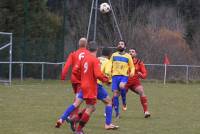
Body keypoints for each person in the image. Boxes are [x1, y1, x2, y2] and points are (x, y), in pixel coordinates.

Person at [73, 41, 110, 134]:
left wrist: (82, 79)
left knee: (92, 107)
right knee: (90, 108)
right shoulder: (94, 60)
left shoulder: (85, 58)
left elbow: (77, 70)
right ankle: (79, 130)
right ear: (97, 49)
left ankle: (76, 120)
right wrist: (106, 80)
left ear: (88, 49)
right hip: (91, 86)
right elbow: (98, 74)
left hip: (83, 85)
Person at [55, 37, 89, 129]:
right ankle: (72, 119)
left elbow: (66, 66)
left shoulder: (73, 54)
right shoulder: (88, 54)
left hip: (74, 80)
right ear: (86, 45)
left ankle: (69, 117)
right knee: (78, 101)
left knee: (77, 99)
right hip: (83, 80)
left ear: (78, 44)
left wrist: (63, 76)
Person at [110, 40, 135, 118]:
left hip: (124, 76)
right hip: (114, 77)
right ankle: (117, 113)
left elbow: (132, 66)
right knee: (115, 95)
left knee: (121, 86)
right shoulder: (113, 55)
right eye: (119, 44)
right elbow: (109, 65)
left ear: (125, 47)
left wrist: (132, 72)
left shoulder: (128, 56)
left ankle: (124, 101)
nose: (120, 45)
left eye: (122, 44)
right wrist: (107, 73)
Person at [125, 48, 151, 118]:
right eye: (129, 52)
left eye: (132, 52)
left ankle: (146, 111)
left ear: (135, 54)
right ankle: (108, 110)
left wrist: (141, 74)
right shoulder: (124, 61)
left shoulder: (139, 62)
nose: (131, 53)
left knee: (141, 91)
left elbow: (145, 74)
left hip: (135, 83)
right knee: (117, 94)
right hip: (125, 82)